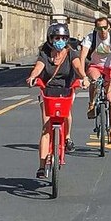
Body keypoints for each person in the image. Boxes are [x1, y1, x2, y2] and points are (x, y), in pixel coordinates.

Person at [27, 24, 86, 178]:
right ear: (50, 39)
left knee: (66, 115)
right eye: (57, 38)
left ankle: (66, 137)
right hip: (47, 91)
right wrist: (33, 77)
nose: (60, 41)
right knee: (46, 127)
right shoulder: (45, 54)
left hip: (65, 90)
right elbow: (38, 67)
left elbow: (78, 67)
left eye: (63, 38)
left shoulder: (71, 54)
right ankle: (41, 166)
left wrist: (83, 77)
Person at [80, 17, 111, 143]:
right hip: (95, 66)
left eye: (104, 28)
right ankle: (91, 104)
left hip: (110, 68)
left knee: (110, 100)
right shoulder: (90, 38)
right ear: (95, 28)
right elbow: (82, 56)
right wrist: (82, 75)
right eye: (99, 28)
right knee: (94, 80)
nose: (102, 31)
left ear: (109, 27)